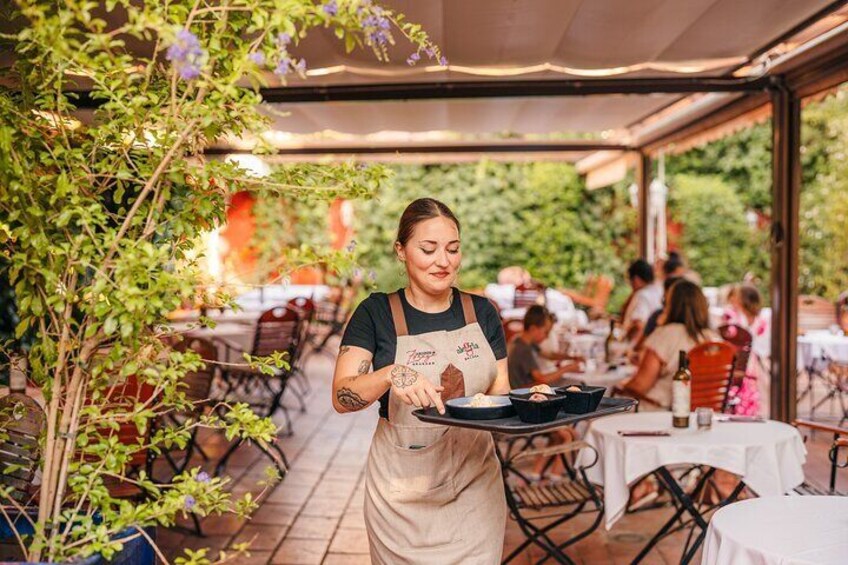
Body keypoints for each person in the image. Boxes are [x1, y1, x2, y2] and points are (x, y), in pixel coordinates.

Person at [332, 198, 509, 564]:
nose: (443, 261)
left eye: (453, 249)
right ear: (401, 250)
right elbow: (341, 396)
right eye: (428, 249)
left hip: (475, 481)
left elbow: (501, 394)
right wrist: (389, 374)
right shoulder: (375, 314)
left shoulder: (483, 313)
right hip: (401, 495)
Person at [620, 279, 719, 408]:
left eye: (665, 302)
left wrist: (620, 385)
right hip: (700, 413)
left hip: (658, 411)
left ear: (672, 305)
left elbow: (640, 386)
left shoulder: (666, 334)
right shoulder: (714, 339)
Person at [722, 283, 770, 416]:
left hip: (743, 367)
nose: (732, 299)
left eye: (736, 296)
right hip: (744, 367)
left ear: (742, 300)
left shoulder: (759, 320)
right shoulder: (734, 317)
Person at [507, 305, 581, 389]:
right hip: (523, 392)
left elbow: (549, 355)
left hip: (527, 388)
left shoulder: (522, 340)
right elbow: (542, 379)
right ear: (533, 329)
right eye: (546, 332)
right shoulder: (523, 349)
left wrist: (572, 357)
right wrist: (567, 368)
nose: (547, 337)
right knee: (575, 384)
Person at [622, 259, 663, 346]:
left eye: (630, 281)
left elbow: (638, 324)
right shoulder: (660, 290)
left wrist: (624, 337)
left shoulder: (642, 295)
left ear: (636, 279)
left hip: (640, 346)